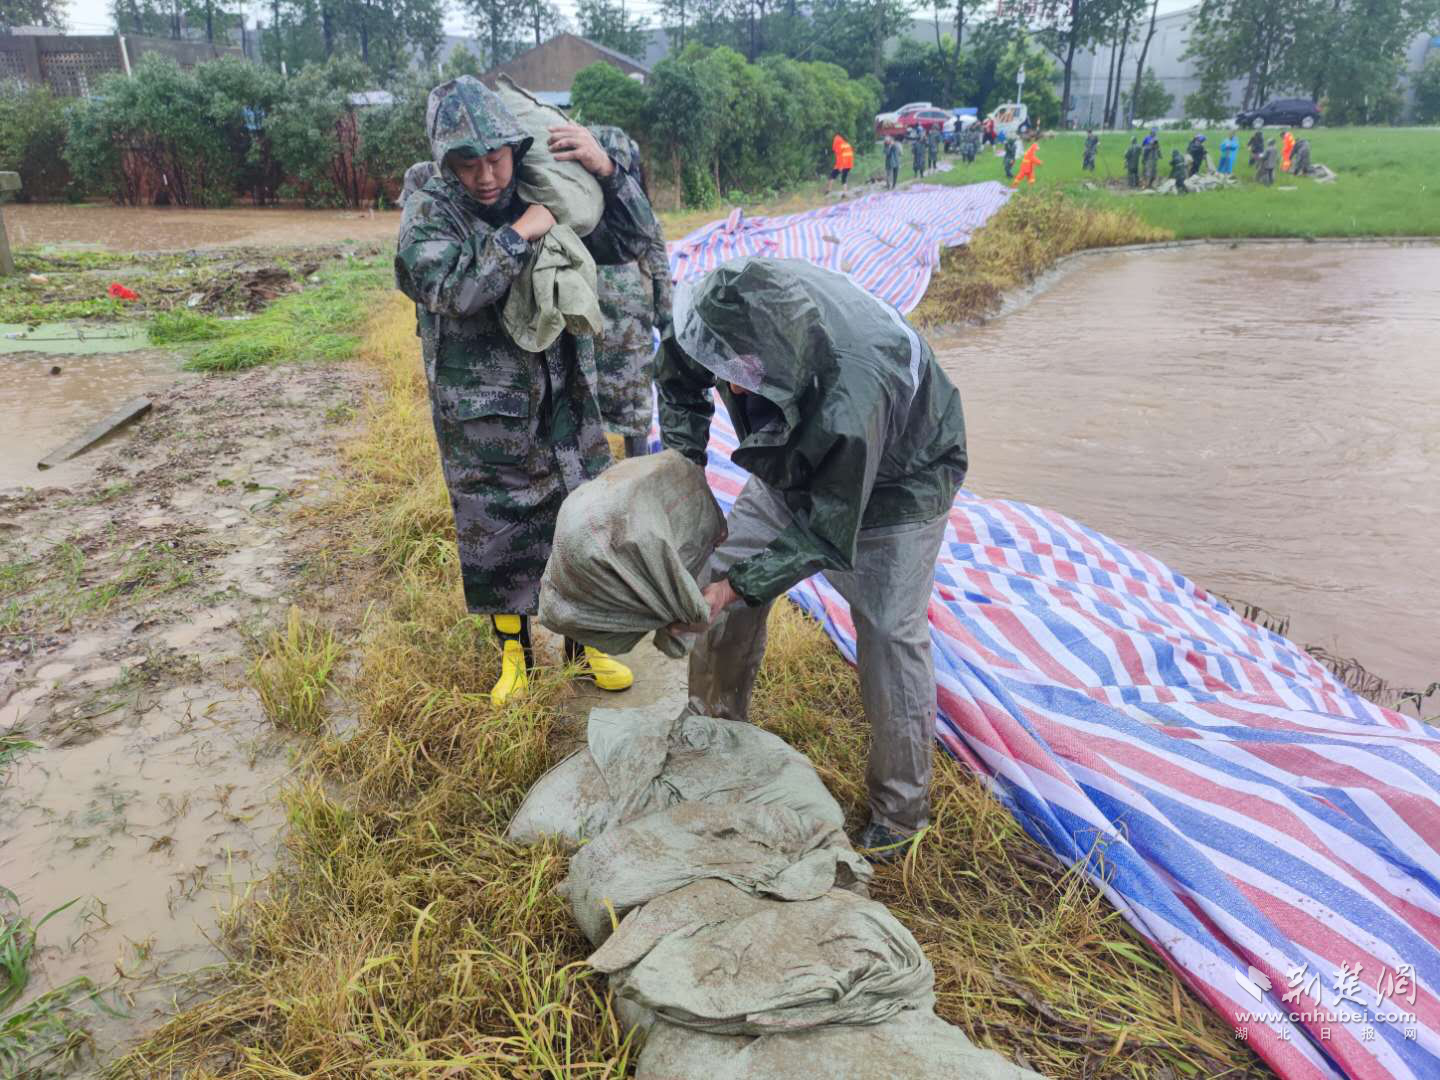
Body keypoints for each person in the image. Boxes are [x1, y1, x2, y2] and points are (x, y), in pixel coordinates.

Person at [656, 257, 968, 861]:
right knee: (719, 578)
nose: (736, 390)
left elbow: (826, 532)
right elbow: (678, 381)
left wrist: (737, 589)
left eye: (747, 374)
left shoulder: (854, 392)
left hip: (901, 479)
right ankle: (715, 734)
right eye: (728, 373)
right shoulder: (715, 321)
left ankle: (900, 816)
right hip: (792, 455)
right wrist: (685, 466)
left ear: (784, 354)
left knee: (888, 631)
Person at [393, 76, 657, 706]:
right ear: (444, 160)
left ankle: (585, 643)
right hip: (481, 407)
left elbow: (631, 241)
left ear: (515, 148)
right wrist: (520, 235)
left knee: (583, 521)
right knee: (498, 532)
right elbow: (448, 288)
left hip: (566, 391)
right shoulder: (430, 206)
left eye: (495, 158)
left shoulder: (544, 188)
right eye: (467, 162)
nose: (485, 176)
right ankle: (514, 655)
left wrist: (608, 169)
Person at [589, 125, 673, 461]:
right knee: (634, 429)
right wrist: (668, 325)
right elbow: (661, 279)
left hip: (606, 350)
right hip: (625, 349)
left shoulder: (579, 223)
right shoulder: (640, 221)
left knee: (619, 427)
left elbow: (660, 275)